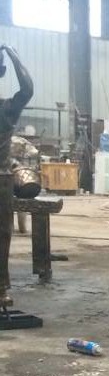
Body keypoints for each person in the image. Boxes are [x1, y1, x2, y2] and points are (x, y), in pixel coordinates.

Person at [0, 44, 34, 308]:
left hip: (2, 178)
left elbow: (27, 90)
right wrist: (13, 55)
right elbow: (27, 90)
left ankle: (1, 287)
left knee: (2, 233)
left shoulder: (6, 109)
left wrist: (12, 54)